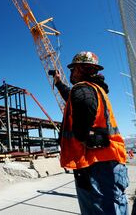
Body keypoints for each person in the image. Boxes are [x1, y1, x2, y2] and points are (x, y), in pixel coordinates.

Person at [52, 51, 128, 215]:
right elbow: (75, 99)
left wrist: (81, 135)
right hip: (107, 161)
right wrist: (59, 83)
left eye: (72, 69)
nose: (71, 73)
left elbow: (83, 102)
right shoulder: (95, 89)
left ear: (80, 69)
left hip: (95, 165)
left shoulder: (83, 90)